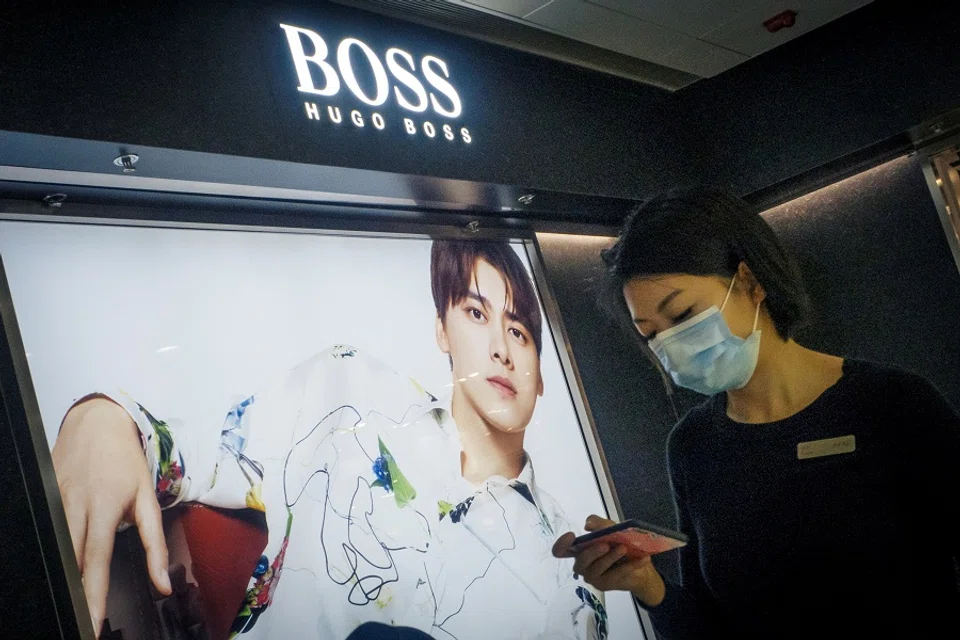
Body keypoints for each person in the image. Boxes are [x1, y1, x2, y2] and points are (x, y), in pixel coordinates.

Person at [52, 239, 607, 640]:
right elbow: (196, 458)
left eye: (519, 331)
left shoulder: (568, 561)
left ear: (540, 367)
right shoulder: (351, 394)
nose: (500, 349)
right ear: (442, 327)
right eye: (475, 312)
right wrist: (102, 420)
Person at [552, 188, 960, 639]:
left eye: (683, 314)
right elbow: (712, 627)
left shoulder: (891, 404)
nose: (670, 344)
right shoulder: (693, 447)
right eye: (650, 334)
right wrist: (649, 586)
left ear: (749, 281)